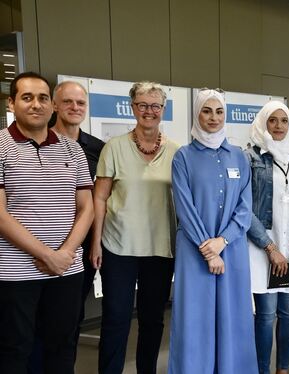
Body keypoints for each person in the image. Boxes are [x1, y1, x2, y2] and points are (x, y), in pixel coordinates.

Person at [0, 72, 94, 374]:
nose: (36, 104)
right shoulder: (1, 146)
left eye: (42, 98)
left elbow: (87, 208)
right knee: (16, 348)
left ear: (52, 106)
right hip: (16, 273)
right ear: (12, 103)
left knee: (62, 345)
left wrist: (64, 253)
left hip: (67, 269)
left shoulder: (71, 149)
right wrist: (47, 254)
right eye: (27, 97)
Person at [91, 81, 179, 374]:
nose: (149, 111)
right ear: (133, 108)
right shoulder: (114, 148)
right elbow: (99, 198)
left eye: (155, 106)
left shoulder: (177, 153)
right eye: (142, 105)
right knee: (116, 318)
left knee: (153, 320)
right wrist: (95, 244)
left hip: (160, 247)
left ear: (163, 110)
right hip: (119, 247)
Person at [168, 89, 257, 373]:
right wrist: (209, 250)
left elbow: (245, 208)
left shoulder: (239, 158)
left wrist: (223, 241)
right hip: (195, 252)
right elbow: (184, 208)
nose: (213, 117)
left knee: (234, 315)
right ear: (197, 114)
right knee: (195, 318)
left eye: (219, 111)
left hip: (232, 250)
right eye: (207, 111)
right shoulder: (183, 157)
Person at [245, 101, 289, 374]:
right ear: (263, 123)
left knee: (288, 314)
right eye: (272, 120)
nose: (278, 126)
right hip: (263, 249)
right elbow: (245, 208)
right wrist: (269, 247)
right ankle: (263, 370)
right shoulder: (250, 157)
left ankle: (283, 369)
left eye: (283, 120)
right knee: (265, 316)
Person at [52, 81, 106, 340]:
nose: (75, 107)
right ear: (55, 105)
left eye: (81, 102)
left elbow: (101, 201)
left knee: (72, 318)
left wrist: (95, 243)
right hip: (39, 245)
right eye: (68, 102)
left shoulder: (98, 149)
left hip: (82, 248)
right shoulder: (37, 144)